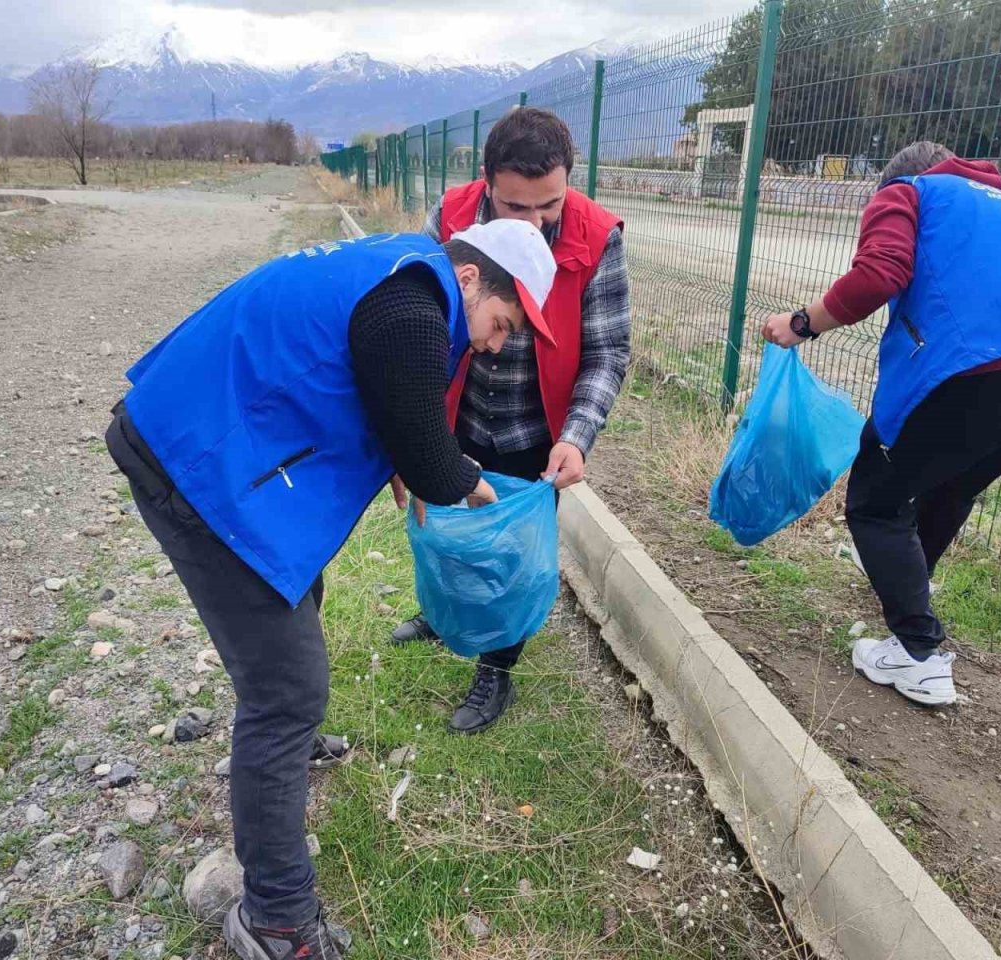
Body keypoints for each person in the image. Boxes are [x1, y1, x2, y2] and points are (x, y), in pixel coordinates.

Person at [105, 218, 556, 960]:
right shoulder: (416, 302)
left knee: (295, 589)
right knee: (285, 689)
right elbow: (427, 446)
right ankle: (276, 918)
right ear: (471, 279)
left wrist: (413, 457)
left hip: (203, 428)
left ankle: (290, 756)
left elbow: (382, 392)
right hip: (193, 454)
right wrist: (471, 487)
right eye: (502, 325)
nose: (496, 345)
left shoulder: (404, 269)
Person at [761, 141, 1001, 707]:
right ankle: (908, 610)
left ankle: (919, 653)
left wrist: (800, 323)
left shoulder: (909, 191)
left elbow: (878, 274)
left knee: (874, 499)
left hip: (997, 360)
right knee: (951, 480)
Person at [391, 106, 632, 735]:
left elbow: (607, 352)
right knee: (445, 524)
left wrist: (577, 437)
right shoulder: (450, 217)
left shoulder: (598, 236)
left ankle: (496, 665)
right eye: (514, 207)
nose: (532, 222)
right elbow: (416, 315)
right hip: (460, 413)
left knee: (510, 553)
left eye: (546, 206)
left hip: (535, 430)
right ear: (486, 182)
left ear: (569, 182)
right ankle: (447, 618)